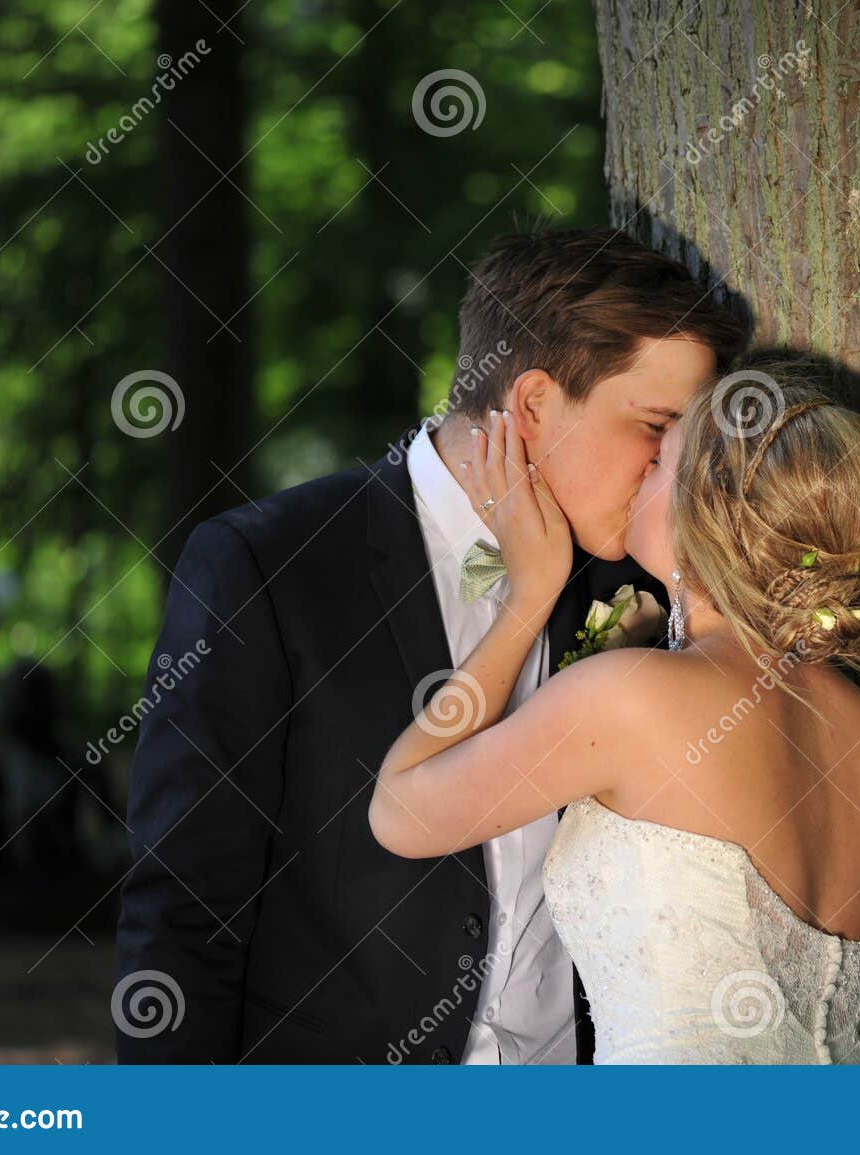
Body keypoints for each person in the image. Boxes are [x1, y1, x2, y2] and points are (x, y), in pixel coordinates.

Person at [114, 227, 749, 1063]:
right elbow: (186, 909)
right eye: (656, 428)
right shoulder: (267, 566)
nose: (676, 469)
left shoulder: (648, 586)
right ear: (533, 404)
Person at [370, 353, 860, 1063]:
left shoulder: (631, 696)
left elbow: (401, 812)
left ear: (702, 513)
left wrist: (530, 596)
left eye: (660, 460)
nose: (639, 474)